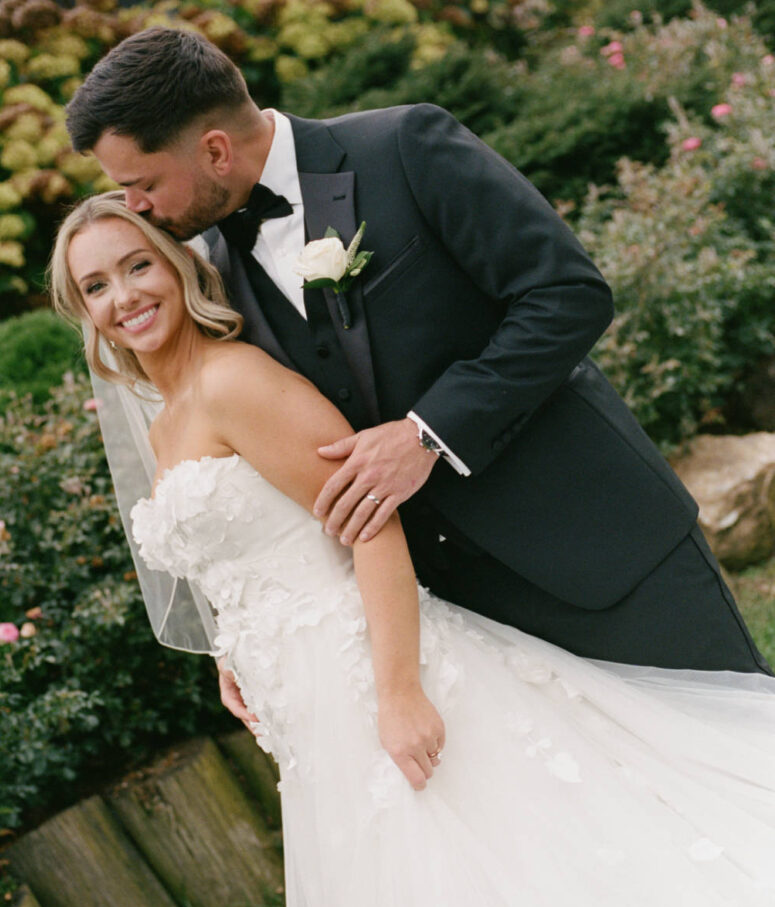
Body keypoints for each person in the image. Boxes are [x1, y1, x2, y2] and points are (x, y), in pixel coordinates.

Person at [51, 192, 775, 907]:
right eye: (98, 284)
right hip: (304, 703)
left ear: (177, 267)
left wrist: (397, 694)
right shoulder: (166, 417)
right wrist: (229, 652)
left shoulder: (234, 381)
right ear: (85, 310)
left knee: (500, 878)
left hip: (371, 667)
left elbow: (370, 527)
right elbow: (240, 554)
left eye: (137, 265)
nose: (125, 296)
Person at [64, 27, 774, 688]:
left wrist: (427, 434)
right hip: (456, 618)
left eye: (144, 183)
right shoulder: (212, 271)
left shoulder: (403, 147)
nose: (136, 206)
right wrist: (248, 640)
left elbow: (566, 294)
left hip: (599, 547)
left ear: (215, 151)